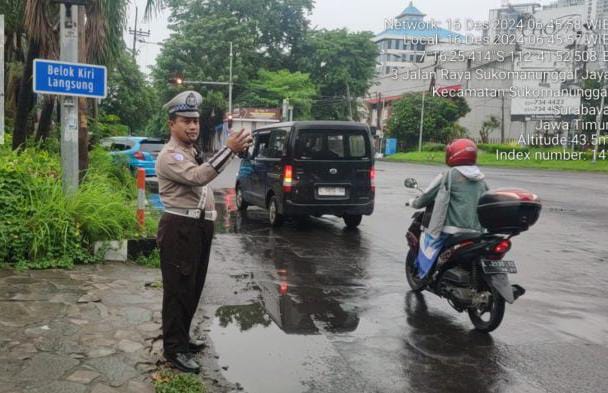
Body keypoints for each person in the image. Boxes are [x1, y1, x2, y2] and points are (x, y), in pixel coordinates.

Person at [155, 91, 252, 373]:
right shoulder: (170, 155)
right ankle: (174, 350)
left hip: (198, 227)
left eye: (195, 121)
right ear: (171, 123)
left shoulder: (190, 151)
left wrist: (237, 150)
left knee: (193, 286)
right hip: (180, 228)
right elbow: (199, 176)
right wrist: (229, 149)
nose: (193, 126)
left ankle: (182, 338)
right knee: (178, 290)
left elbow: (207, 168)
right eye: (186, 120)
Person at [408, 139, 489, 278]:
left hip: (451, 230)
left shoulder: (449, 175)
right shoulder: (481, 179)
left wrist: (413, 203)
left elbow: (427, 196)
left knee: (427, 240)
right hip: (476, 231)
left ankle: (423, 274)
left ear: (453, 154)